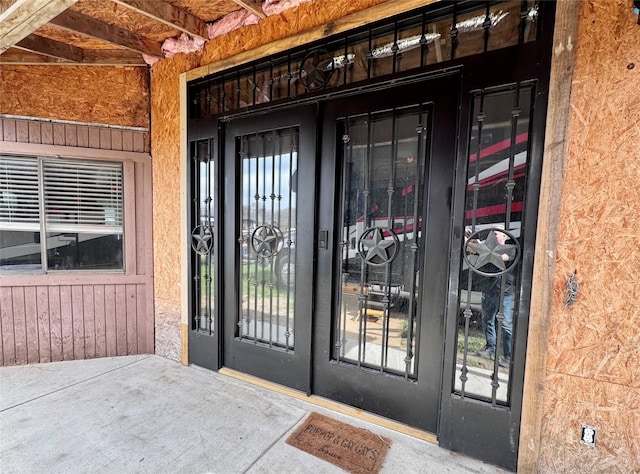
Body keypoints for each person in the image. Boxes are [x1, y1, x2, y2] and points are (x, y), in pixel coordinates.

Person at [474, 228, 516, 368]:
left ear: (504, 236)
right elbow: (472, 251)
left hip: (506, 292)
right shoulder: (487, 249)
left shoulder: (510, 249)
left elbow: (499, 257)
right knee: (487, 320)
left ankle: (508, 357)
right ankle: (490, 348)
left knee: (506, 325)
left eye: (496, 233)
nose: (493, 235)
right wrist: (473, 242)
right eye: (492, 233)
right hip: (489, 290)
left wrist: (481, 248)